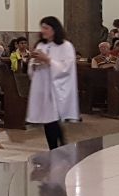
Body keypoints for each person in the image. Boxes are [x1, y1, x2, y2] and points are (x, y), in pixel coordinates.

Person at [26, 16, 79, 150]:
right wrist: (33, 63)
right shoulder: (41, 45)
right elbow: (32, 67)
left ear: (54, 29)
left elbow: (67, 67)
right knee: (48, 119)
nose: (43, 31)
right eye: (42, 28)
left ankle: (58, 147)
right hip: (42, 86)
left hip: (57, 87)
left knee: (53, 119)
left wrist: (48, 60)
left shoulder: (66, 46)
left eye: (46, 28)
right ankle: (56, 148)